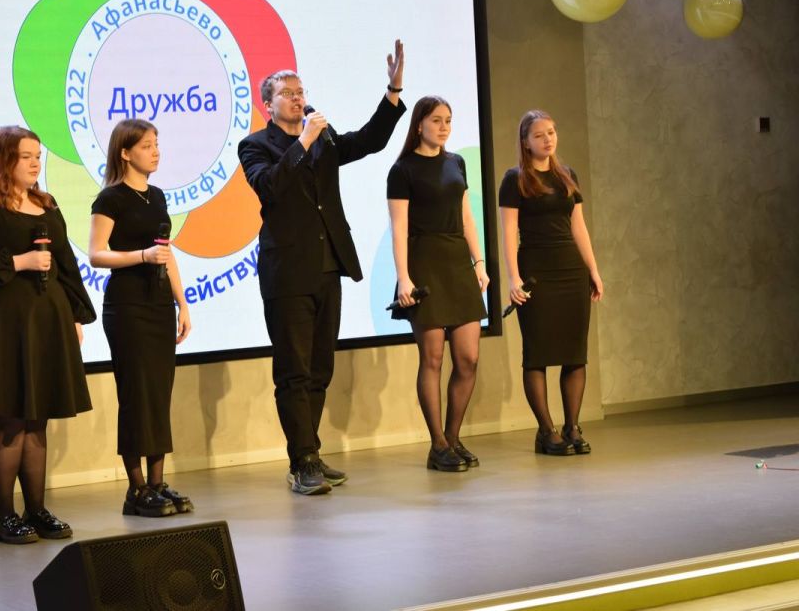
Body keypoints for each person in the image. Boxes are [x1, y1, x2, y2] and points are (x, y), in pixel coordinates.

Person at [238, 40, 407, 495]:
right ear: (268, 104)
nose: (298, 98)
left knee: (319, 370)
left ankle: (310, 452)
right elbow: (270, 188)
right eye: (288, 93)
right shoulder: (255, 145)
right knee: (293, 371)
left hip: (328, 267)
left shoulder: (325, 139)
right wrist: (304, 142)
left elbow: (369, 141)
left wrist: (392, 92)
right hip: (287, 272)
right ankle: (302, 462)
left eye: (301, 91)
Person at [0, 126, 96, 544]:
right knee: (9, 422)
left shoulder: (46, 204)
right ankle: (3, 517)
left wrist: (74, 315)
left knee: (36, 421)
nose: (35, 163)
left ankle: (36, 510)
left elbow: (65, 263)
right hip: (2, 327)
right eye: (26, 156)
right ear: (4, 159)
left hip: (46, 324)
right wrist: (20, 261)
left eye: (38, 156)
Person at [89, 118, 193, 517]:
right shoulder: (110, 199)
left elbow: (167, 252)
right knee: (136, 396)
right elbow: (97, 254)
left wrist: (182, 302)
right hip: (127, 306)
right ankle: (136, 490)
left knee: (159, 394)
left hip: (158, 304)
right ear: (125, 152)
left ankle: (157, 482)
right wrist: (141, 256)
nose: (155, 152)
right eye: (147, 146)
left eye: (156, 144)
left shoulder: (158, 196)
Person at [387, 96, 490, 472]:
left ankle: (453, 437)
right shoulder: (403, 169)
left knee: (468, 358)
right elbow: (399, 227)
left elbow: (467, 217)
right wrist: (404, 278)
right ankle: (438, 445)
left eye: (448, 120)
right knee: (432, 358)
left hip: (457, 263)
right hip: (424, 263)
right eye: (436, 120)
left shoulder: (456, 162)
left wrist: (479, 262)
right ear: (419, 125)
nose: (444, 127)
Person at [498, 110, 603, 456]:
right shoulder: (514, 179)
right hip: (536, 273)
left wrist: (593, 269)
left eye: (552, 132)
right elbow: (508, 232)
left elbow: (578, 227)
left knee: (575, 353)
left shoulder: (567, 175)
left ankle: (572, 427)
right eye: (540, 135)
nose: (548, 139)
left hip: (571, 270)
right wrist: (513, 278)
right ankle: (546, 431)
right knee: (538, 353)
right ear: (526, 142)